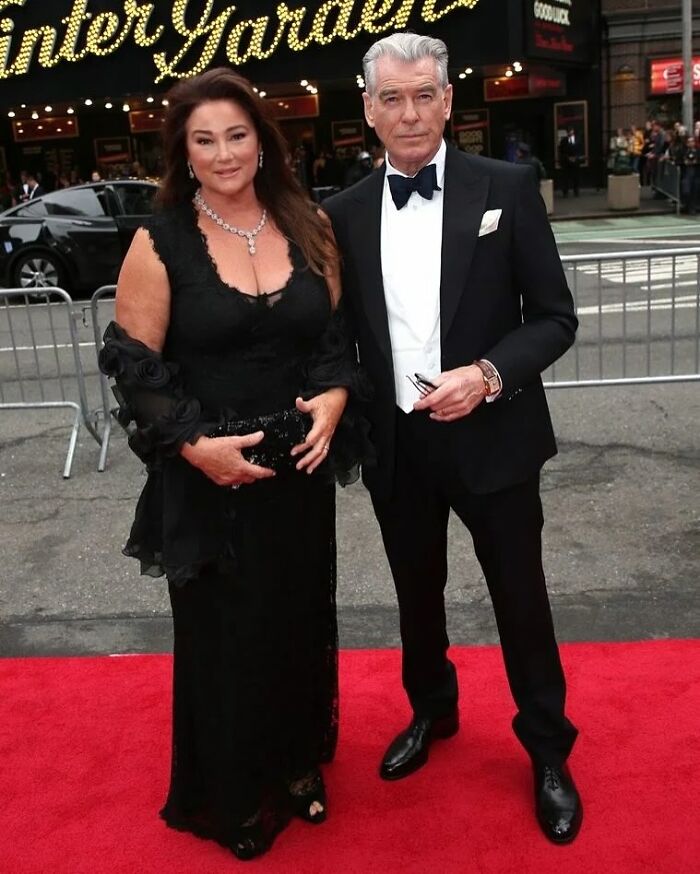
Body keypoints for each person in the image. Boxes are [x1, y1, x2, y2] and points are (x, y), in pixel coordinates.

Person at [98, 67, 366, 861]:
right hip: (208, 475)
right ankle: (231, 793)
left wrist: (336, 399)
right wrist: (192, 447)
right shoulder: (161, 240)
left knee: (295, 621)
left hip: (296, 470)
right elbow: (133, 365)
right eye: (204, 139)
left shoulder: (309, 221)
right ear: (184, 150)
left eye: (237, 135)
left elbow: (332, 340)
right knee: (224, 639)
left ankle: (293, 765)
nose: (224, 154)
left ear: (263, 139)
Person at [323, 33, 582, 845]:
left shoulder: (508, 186)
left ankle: (548, 748)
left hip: (495, 437)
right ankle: (432, 712)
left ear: (447, 100)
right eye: (391, 98)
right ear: (367, 108)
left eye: (423, 95)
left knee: (521, 600)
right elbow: (340, 338)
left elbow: (554, 318)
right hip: (400, 447)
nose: (409, 112)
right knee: (416, 597)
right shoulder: (342, 213)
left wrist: (489, 374)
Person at [558, 127, 582, 196]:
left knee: (576, 177)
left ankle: (576, 191)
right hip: (566, 162)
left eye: (571, 131)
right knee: (565, 177)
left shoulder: (578, 140)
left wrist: (576, 158)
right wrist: (567, 158)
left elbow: (580, 150)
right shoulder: (564, 141)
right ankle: (565, 192)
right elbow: (561, 151)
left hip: (575, 161)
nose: (570, 133)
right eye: (569, 131)